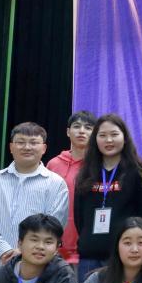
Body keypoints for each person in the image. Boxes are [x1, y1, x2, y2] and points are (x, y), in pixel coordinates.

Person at [0, 122, 69, 271]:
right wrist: (5, 252)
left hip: (37, 269)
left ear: (44, 148)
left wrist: (24, 253)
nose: (27, 147)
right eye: (20, 142)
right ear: (11, 147)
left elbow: (54, 225)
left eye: (34, 143)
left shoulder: (56, 184)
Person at [74, 113, 142, 283]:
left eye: (114, 134)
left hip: (124, 257)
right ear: (95, 140)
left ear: (125, 138)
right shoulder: (86, 173)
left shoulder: (138, 173)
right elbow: (79, 217)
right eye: (102, 135)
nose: (108, 140)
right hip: (90, 255)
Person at [47, 110, 97, 266]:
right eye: (77, 126)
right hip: (55, 248)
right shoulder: (54, 164)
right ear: (68, 132)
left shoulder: (99, 166)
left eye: (88, 127)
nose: (82, 131)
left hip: (88, 249)